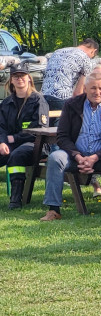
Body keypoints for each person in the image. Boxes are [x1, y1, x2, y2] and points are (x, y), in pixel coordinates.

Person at [41, 72, 101, 221]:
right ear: (85, 89)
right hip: (75, 157)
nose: (97, 92)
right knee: (55, 157)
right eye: (93, 88)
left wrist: (95, 158)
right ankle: (53, 210)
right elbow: (62, 136)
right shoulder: (71, 104)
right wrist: (78, 156)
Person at [0, 63, 48, 210]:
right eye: (16, 76)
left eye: (22, 75)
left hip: (36, 144)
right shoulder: (6, 103)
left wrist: (14, 138)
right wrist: (2, 142)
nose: (19, 78)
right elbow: (1, 127)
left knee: (17, 155)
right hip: (9, 144)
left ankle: (15, 200)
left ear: (29, 78)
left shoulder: (38, 100)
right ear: (11, 80)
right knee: (13, 152)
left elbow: (40, 129)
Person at [40, 38, 99, 111]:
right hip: (61, 97)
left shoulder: (57, 51)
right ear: (93, 51)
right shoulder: (85, 58)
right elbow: (78, 93)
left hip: (43, 96)